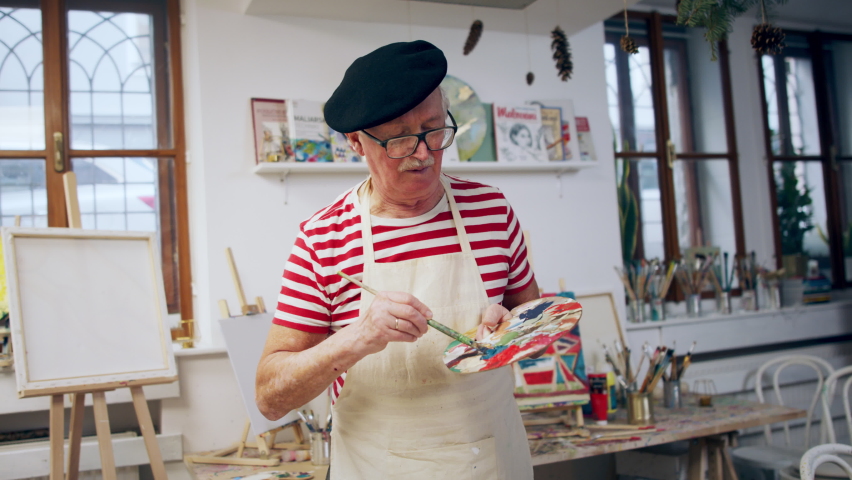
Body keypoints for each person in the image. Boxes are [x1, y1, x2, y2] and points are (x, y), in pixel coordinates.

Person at [255, 40, 538, 479]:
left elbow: (533, 319)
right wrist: (359, 337)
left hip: (492, 461)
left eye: (435, 131)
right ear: (356, 142)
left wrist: (507, 331)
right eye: (402, 141)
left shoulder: (492, 211)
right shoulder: (324, 238)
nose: (424, 154)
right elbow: (270, 397)